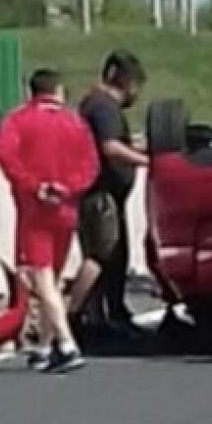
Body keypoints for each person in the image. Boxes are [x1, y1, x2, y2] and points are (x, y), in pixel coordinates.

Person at [0, 69, 98, 373]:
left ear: (31, 91)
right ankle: (44, 346)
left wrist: (35, 186)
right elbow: (89, 165)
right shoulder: (75, 122)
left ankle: (66, 344)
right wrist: (67, 187)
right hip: (66, 208)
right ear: (59, 91)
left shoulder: (16, 120)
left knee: (42, 279)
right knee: (51, 278)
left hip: (34, 209)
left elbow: (7, 158)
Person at [67, 50, 150, 341]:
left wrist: (138, 145)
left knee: (115, 257)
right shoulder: (104, 107)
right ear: (126, 82)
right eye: (136, 87)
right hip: (100, 196)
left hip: (104, 195)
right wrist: (147, 160)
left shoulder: (96, 105)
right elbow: (110, 147)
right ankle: (73, 317)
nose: (136, 95)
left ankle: (104, 315)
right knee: (102, 256)